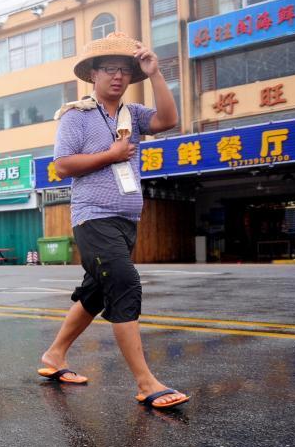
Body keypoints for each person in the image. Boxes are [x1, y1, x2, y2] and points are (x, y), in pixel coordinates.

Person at [37, 32, 188, 410]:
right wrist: (112, 153)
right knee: (123, 283)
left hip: (125, 220)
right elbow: (63, 164)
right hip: (93, 219)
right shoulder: (77, 116)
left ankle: (54, 356)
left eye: (124, 70)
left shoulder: (132, 114)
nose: (117, 77)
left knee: (95, 293)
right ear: (93, 74)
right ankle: (145, 382)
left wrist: (155, 74)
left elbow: (169, 119)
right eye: (109, 69)